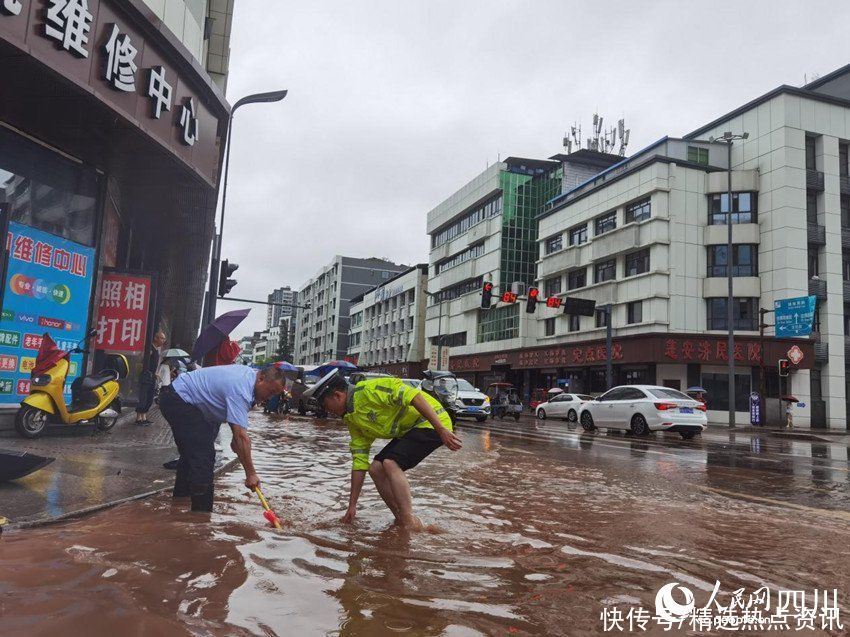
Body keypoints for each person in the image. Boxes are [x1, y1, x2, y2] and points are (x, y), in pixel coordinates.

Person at [304, 370, 462, 530]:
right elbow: (360, 463)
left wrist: (441, 430)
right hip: (411, 430)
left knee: (390, 463)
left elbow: (415, 396)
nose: (327, 410)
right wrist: (352, 506)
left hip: (432, 422)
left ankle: (408, 523)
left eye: (325, 405)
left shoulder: (369, 390)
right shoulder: (351, 418)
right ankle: (402, 519)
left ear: (337, 396)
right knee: (375, 468)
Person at [158, 364, 287, 512]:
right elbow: (241, 437)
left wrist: (236, 439)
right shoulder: (241, 389)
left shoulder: (249, 378)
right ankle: (201, 519)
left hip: (194, 405)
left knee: (192, 456)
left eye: (273, 395)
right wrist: (251, 474)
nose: (269, 398)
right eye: (270, 392)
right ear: (261, 378)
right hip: (179, 400)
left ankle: (179, 504)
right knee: (203, 458)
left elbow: (237, 431)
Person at [135, 330, 166, 425]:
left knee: (149, 397)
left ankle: (144, 417)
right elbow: (142, 361)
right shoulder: (150, 349)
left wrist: (155, 374)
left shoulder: (156, 350)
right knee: (143, 397)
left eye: (164, 339)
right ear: (156, 338)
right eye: (162, 338)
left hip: (152, 376)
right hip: (146, 376)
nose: (164, 340)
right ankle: (139, 418)